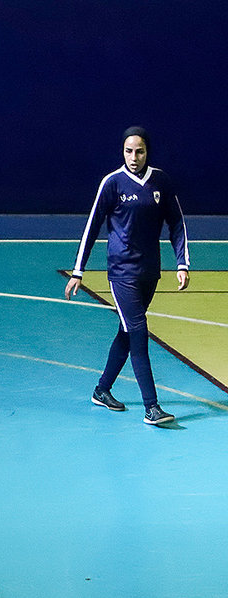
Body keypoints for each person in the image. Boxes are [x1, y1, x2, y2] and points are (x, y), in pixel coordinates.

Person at [65, 126, 190, 425]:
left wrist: (182, 263)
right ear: (122, 151)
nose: (134, 157)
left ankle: (101, 390)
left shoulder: (161, 181)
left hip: (150, 272)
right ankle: (152, 407)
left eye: (140, 151)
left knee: (126, 332)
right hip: (121, 273)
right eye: (128, 151)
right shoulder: (112, 183)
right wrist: (78, 271)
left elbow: (177, 224)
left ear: (148, 152)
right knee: (138, 331)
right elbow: (92, 228)